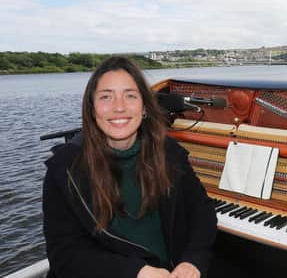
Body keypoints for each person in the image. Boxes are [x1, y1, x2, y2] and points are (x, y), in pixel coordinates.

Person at [43, 56, 217, 278]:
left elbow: (202, 213)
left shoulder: (169, 152)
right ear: (92, 108)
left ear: (144, 106)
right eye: (106, 97)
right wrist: (135, 272)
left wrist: (193, 260)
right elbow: (66, 255)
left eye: (130, 96)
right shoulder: (64, 168)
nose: (119, 107)